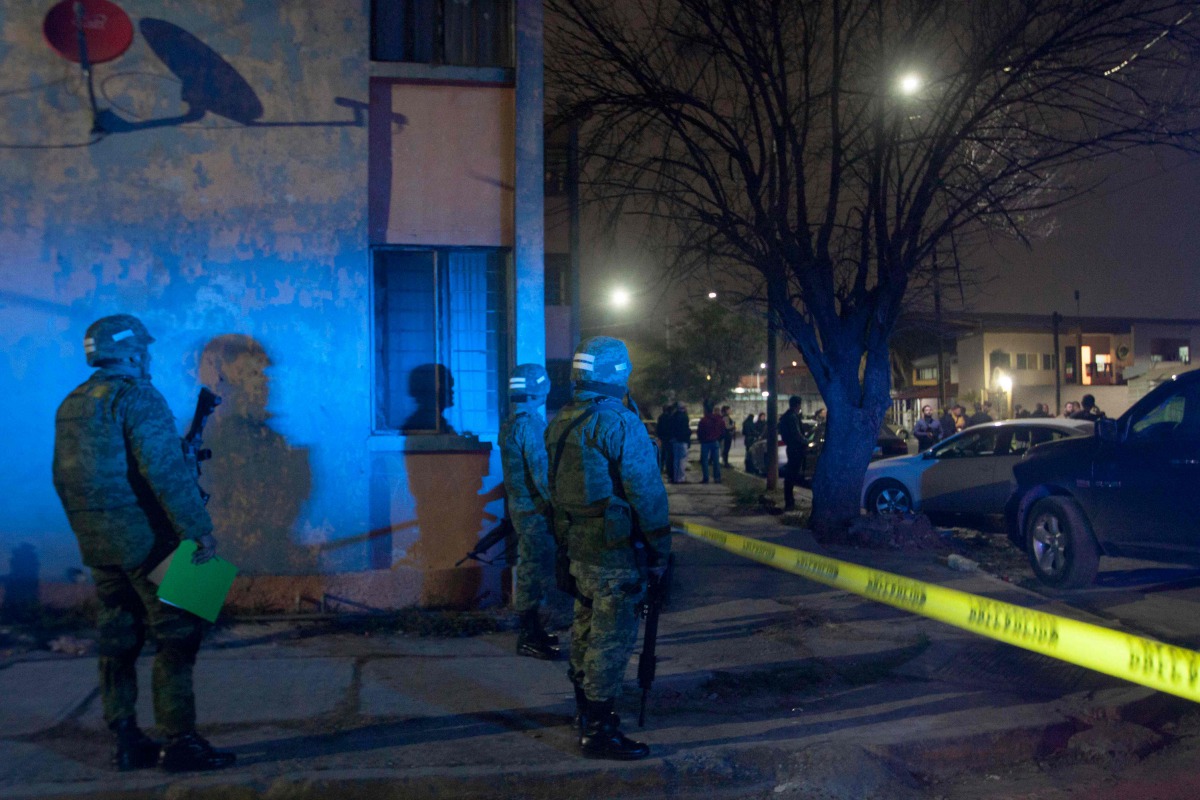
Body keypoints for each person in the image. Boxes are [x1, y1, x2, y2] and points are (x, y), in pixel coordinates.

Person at [52, 315, 235, 773]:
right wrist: (198, 528)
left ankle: (127, 738)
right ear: (132, 353)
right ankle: (180, 742)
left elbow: (65, 477)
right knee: (180, 629)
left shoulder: (72, 404)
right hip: (147, 538)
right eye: (144, 350)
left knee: (118, 635)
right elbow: (166, 474)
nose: (148, 357)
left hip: (98, 545)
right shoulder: (137, 397)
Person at [545, 336, 671, 760]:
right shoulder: (618, 422)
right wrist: (660, 550)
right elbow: (647, 495)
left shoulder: (562, 419)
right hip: (614, 551)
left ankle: (586, 713)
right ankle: (599, 731)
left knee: (583, 628)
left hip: (577, 546)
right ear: (618, 374)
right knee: (611, 639)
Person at [499, 363, 561, 661]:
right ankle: (528, 636)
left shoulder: (511, 423)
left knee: (530, 570)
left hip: (522, 510)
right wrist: (564, 510)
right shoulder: (532, 426)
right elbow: (543, 476)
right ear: (541, 389)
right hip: (536, 513)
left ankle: (533, 631)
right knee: (533, 573)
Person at [779, 395, 806, 511]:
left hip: (791, 447)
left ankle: (789, 501)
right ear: (797, 405)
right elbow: (797, 434)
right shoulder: (792, 417)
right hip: (795, 448)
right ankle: (789, 503)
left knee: (791, 475)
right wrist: (806, 441)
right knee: (791, 475)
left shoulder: (786, 416)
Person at [695, 402, 724, 484]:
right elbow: (721, 429)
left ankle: (706, 478)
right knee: (716, 460)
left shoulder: (703, 420)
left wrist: (700, 439)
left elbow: (700, 431)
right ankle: (717, 478)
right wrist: (718, 437)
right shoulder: (717, 419)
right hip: (715, 441)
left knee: (705, 461)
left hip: (705, 442)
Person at [667, 402, 691, 483]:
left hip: (674, 441)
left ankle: (676, 477)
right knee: (682, 460)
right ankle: (681, 478)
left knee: (676, 460)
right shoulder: (684, 417)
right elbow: (685, 429)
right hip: (682, 440)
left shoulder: (673, 416)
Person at [655, 404, 674, 478]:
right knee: (668, 455)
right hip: (669, 438)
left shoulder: (661, 417)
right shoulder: (670, 417)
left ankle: (660, 469)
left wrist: (659, 436)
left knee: (662, 455)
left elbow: (659, 428)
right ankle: (668, 470)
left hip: (662, 438)